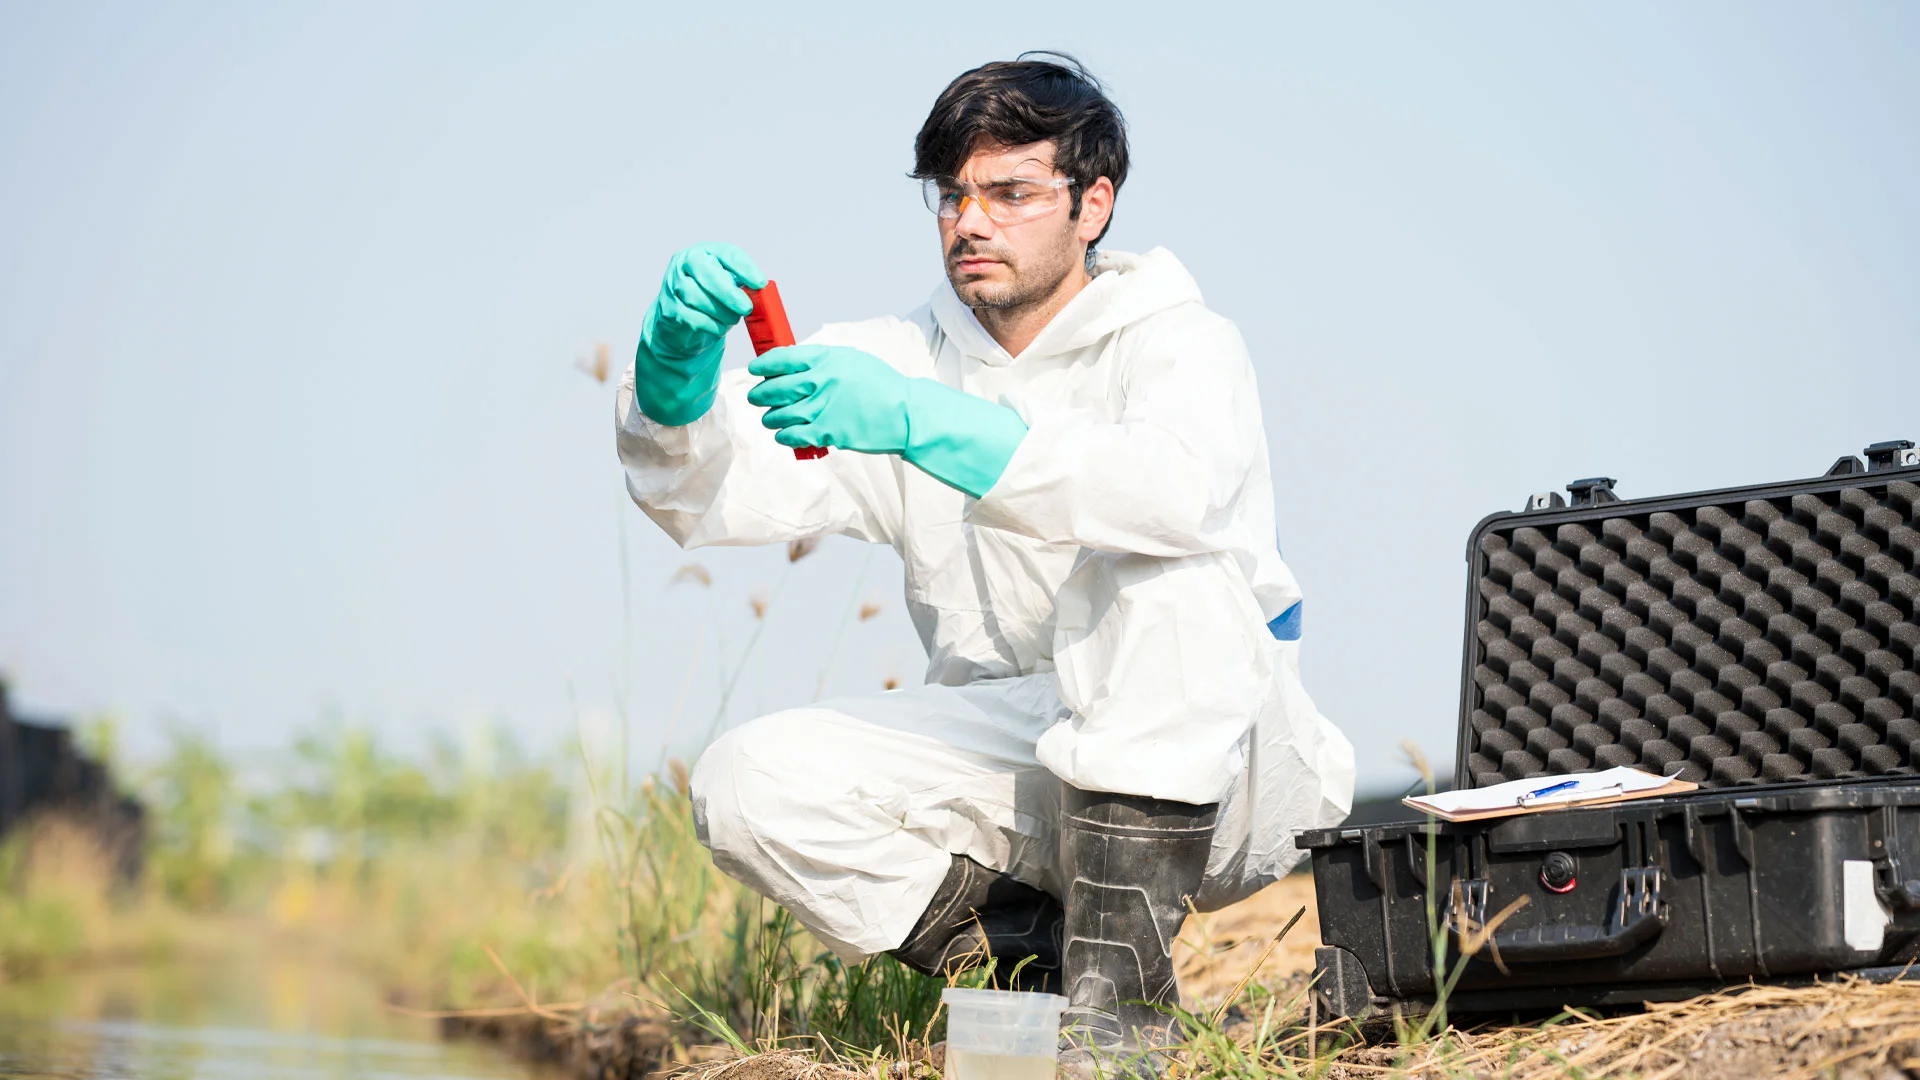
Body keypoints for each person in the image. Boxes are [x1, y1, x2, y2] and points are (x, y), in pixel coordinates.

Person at [617, 53, 1354, 1076]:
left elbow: (1168, 494)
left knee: (1157, 574)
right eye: (953, 195)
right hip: (1019, 761)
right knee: (749, 781)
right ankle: (1045, 978)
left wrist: (930, 426)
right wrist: (672, 380)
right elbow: (705, 493)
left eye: (1010, 192)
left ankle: (1117, 1030)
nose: (970, 221)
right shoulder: (894, 358)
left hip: (1223, 772)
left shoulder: (1181, 343)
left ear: (1093, 204)